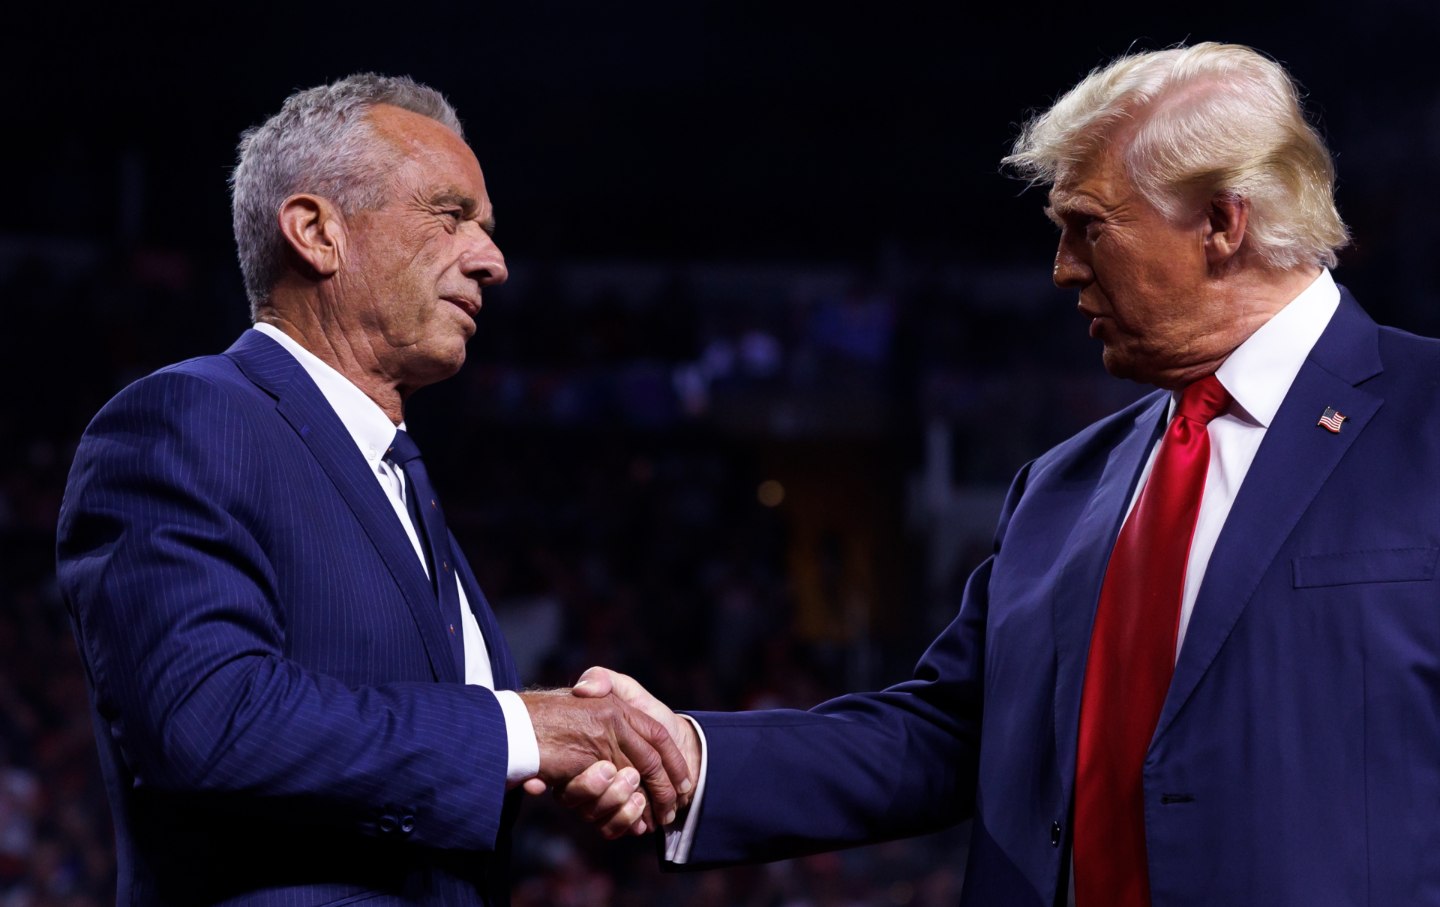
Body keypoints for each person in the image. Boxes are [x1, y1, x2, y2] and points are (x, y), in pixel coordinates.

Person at [571, 42, 1440, 906]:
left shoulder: (1426, 419)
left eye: (1088, 226)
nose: (1062, 268)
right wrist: (688, 755)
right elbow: (944, 733)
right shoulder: (1062, 487)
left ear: (1222, 222)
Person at [55, 74, 688, 906]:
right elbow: (207, 719)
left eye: (487, 230)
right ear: (318, 232)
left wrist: (546, 774)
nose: (492, 262)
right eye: (450, 215)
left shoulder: (397, 481)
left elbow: (410, 780)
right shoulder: (185, 420)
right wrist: (526, 730)